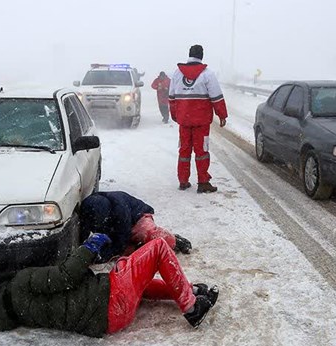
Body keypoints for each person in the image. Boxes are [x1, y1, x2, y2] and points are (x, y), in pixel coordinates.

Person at [0, 233, 219, 337]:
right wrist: (89, 246)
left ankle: (193, 291)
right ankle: (192, 308)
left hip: (109, 320)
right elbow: (66, 275)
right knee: (157, 248)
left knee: (133, 276)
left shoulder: (22, 312)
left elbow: (64, 293)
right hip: (108, 296)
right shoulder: (21, 281)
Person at [169, 45, 228, 193]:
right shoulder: (207, 74)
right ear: (201, 56)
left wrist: (175, 115)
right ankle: (203, 182)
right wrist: (222, 115)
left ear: (189, 55)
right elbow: (216, 96)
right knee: (202, 151)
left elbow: (172, 97)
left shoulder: (177, 74)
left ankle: (183, 181)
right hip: (201, 121)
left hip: (184, 121)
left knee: (184, 150)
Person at [79, 191, 192, 263]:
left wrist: (105, 255)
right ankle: (138, 246)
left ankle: (174, 240)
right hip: (116, 228)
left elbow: (122, 237)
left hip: (137, 218)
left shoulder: (120, 210)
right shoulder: (87, 209)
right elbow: (84, 231)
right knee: (125, 256)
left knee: (148, 234)